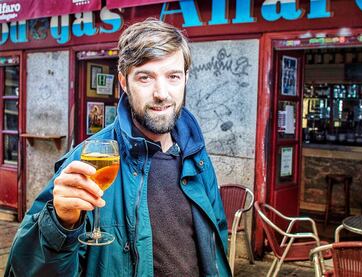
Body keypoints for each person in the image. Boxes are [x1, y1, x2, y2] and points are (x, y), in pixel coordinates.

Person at [6, 18, 231, 277]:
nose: (162, 92)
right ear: (124, 82)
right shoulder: (86, 160)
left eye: (173, 77)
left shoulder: (196, 156)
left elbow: (216, 246)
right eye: (145, 77)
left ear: (185, 79)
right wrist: (60, 224)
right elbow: (24, 270)